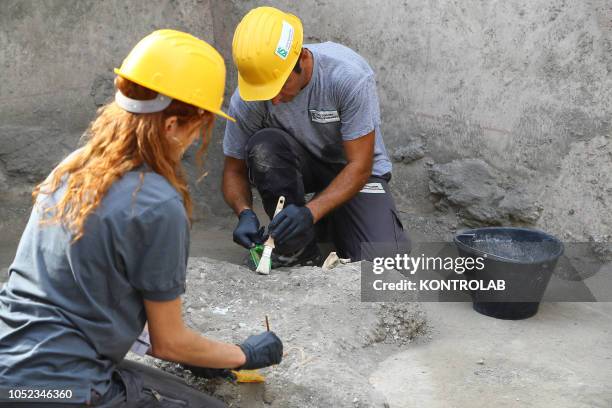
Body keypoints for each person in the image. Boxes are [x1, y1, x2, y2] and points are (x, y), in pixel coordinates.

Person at [0, 30, 282, 407]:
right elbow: (170, 343)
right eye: (200, 126)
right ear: (171, 126)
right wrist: (243, 353)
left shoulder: (73, 166)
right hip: (63, 389)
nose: (197, 139)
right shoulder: (157, 204)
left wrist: (203, 356)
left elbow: (90, 290)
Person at [222, 6, 411, 268]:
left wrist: (310, 213)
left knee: (384, 266)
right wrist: (244, 212)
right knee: (264, 146)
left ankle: (326, 217)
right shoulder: (249, 99)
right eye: (266, 92)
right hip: (302, 168)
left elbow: (360, 167)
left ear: (301, 57)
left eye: (279, 86)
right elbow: (233, 171)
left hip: (354, 171)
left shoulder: (346, 77)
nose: (274, 99)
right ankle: (297, 250)